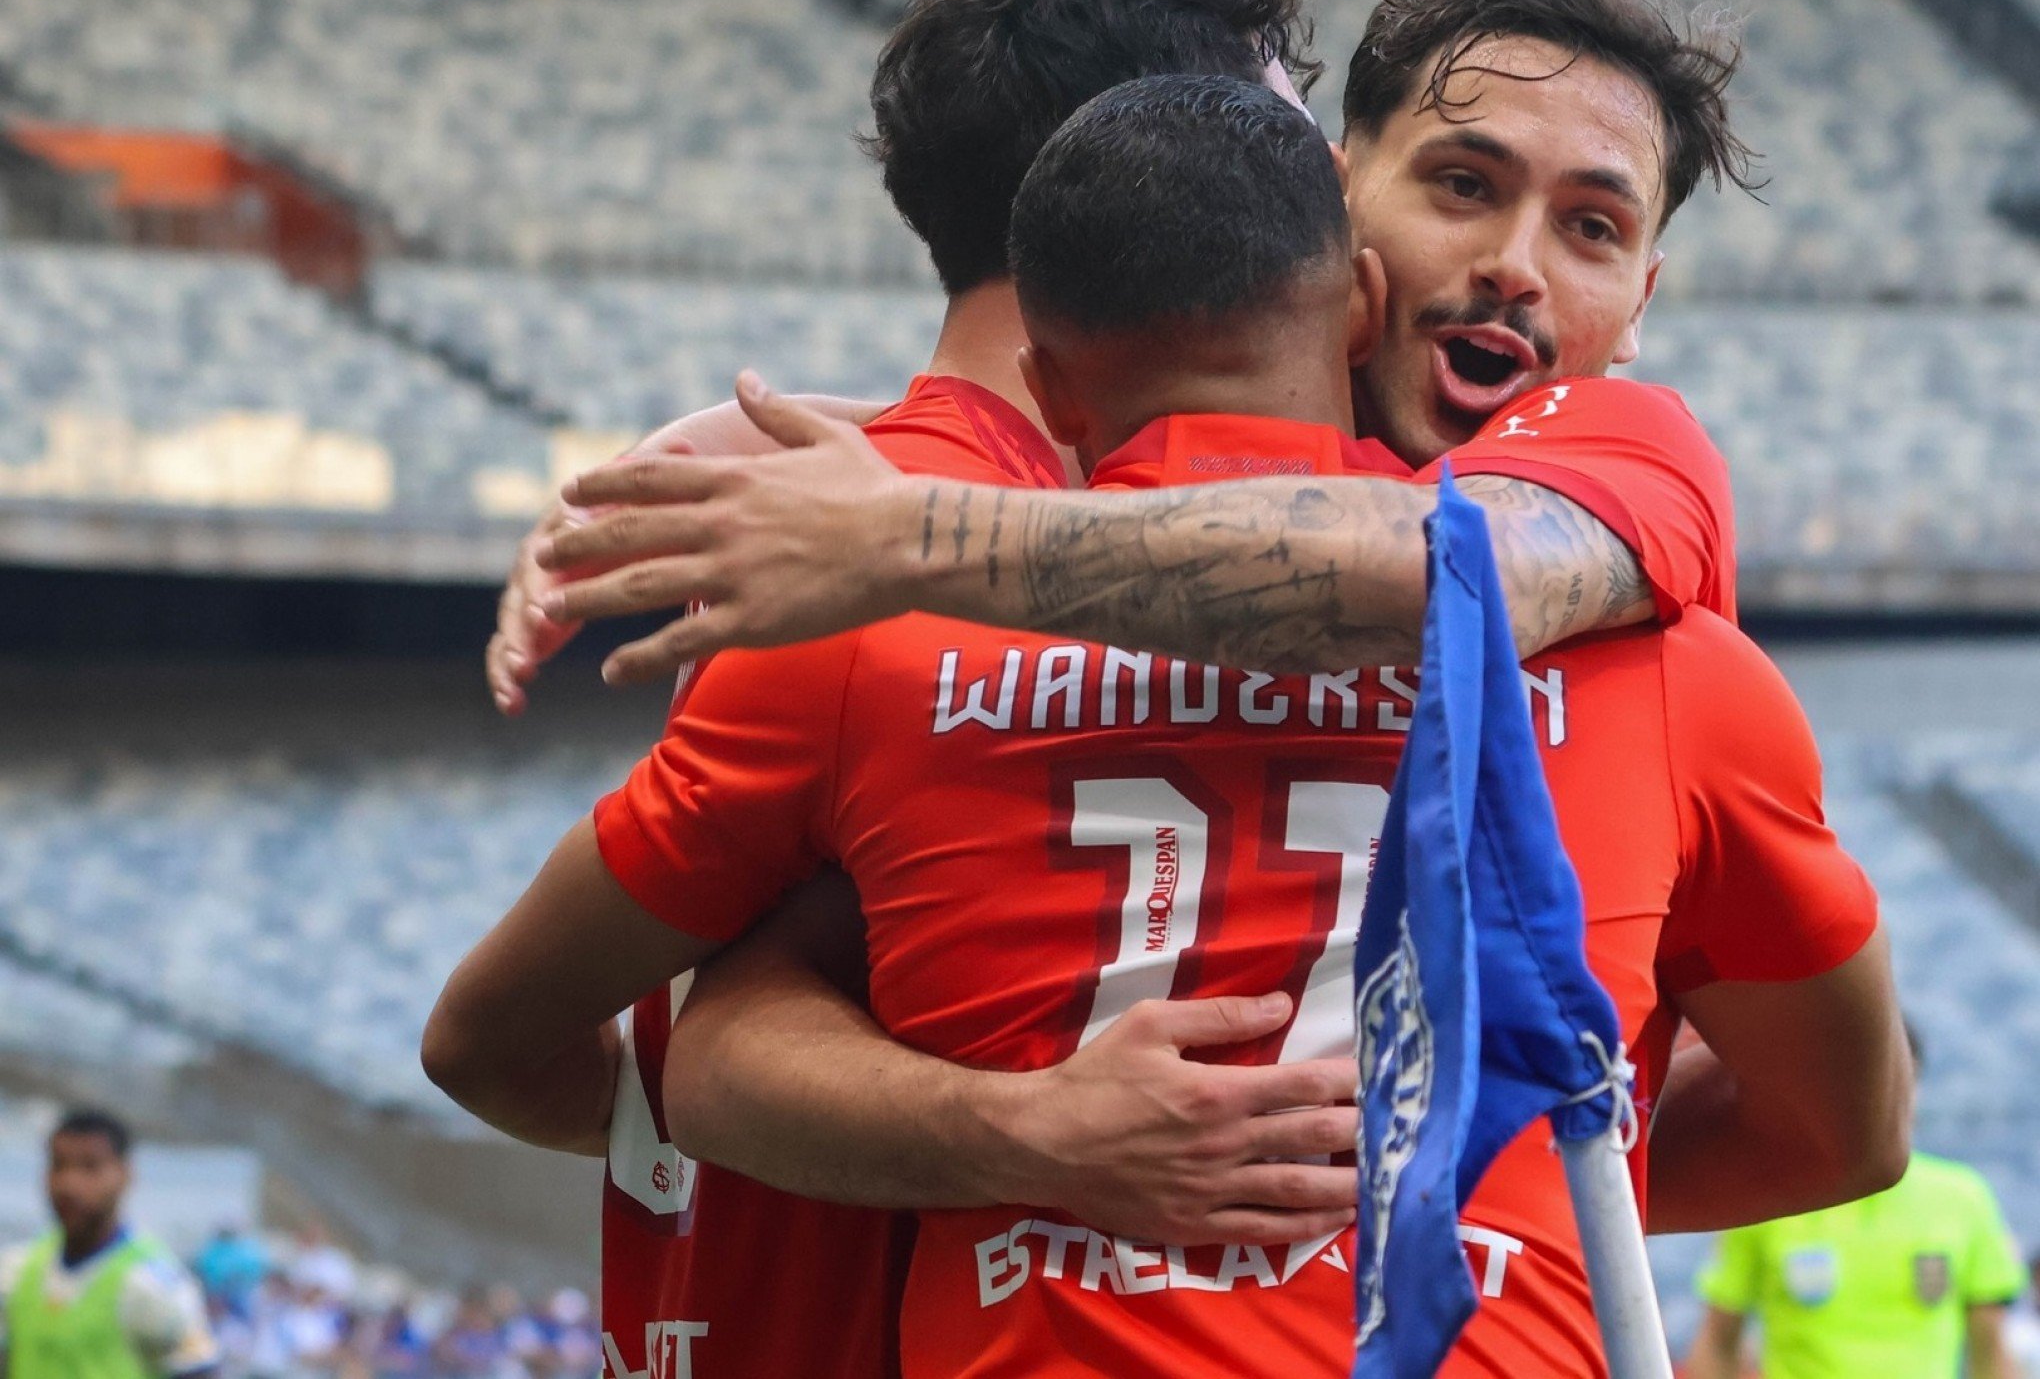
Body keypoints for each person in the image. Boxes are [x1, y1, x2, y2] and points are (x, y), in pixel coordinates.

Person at [447, 74, 1898, 1375]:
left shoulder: (869, 630)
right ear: (1355, 267)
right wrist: (1486, 1163)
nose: (1509, 267)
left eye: (1588, 226)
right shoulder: (1674, 672)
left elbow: (637, 1058)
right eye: (1463, 185)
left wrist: (1012, 1139)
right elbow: (1845, 1125)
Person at [432, 0, 1383, 1379]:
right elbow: (485, 1034)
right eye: (1280, 120)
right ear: (1141, 173)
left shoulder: (893, 517)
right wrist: (870, 1131)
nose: (1334, 176)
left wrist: (678, 1114)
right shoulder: (893, 576)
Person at [1687, 1027, 2023, 1379]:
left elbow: (1991, 1352)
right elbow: (1717, 1340)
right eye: (1851, 1082)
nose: (1872, 1098)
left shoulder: (1963, 1198)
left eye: (1890, 1081)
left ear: (1914, 1084)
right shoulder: (1774, 1200)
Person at [0, 1109, 218, 1379]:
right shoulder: (15, 1271)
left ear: (124, 1175)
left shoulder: (152, 1285)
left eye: (89, 1167)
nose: (69, 1183)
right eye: (59, 1165)